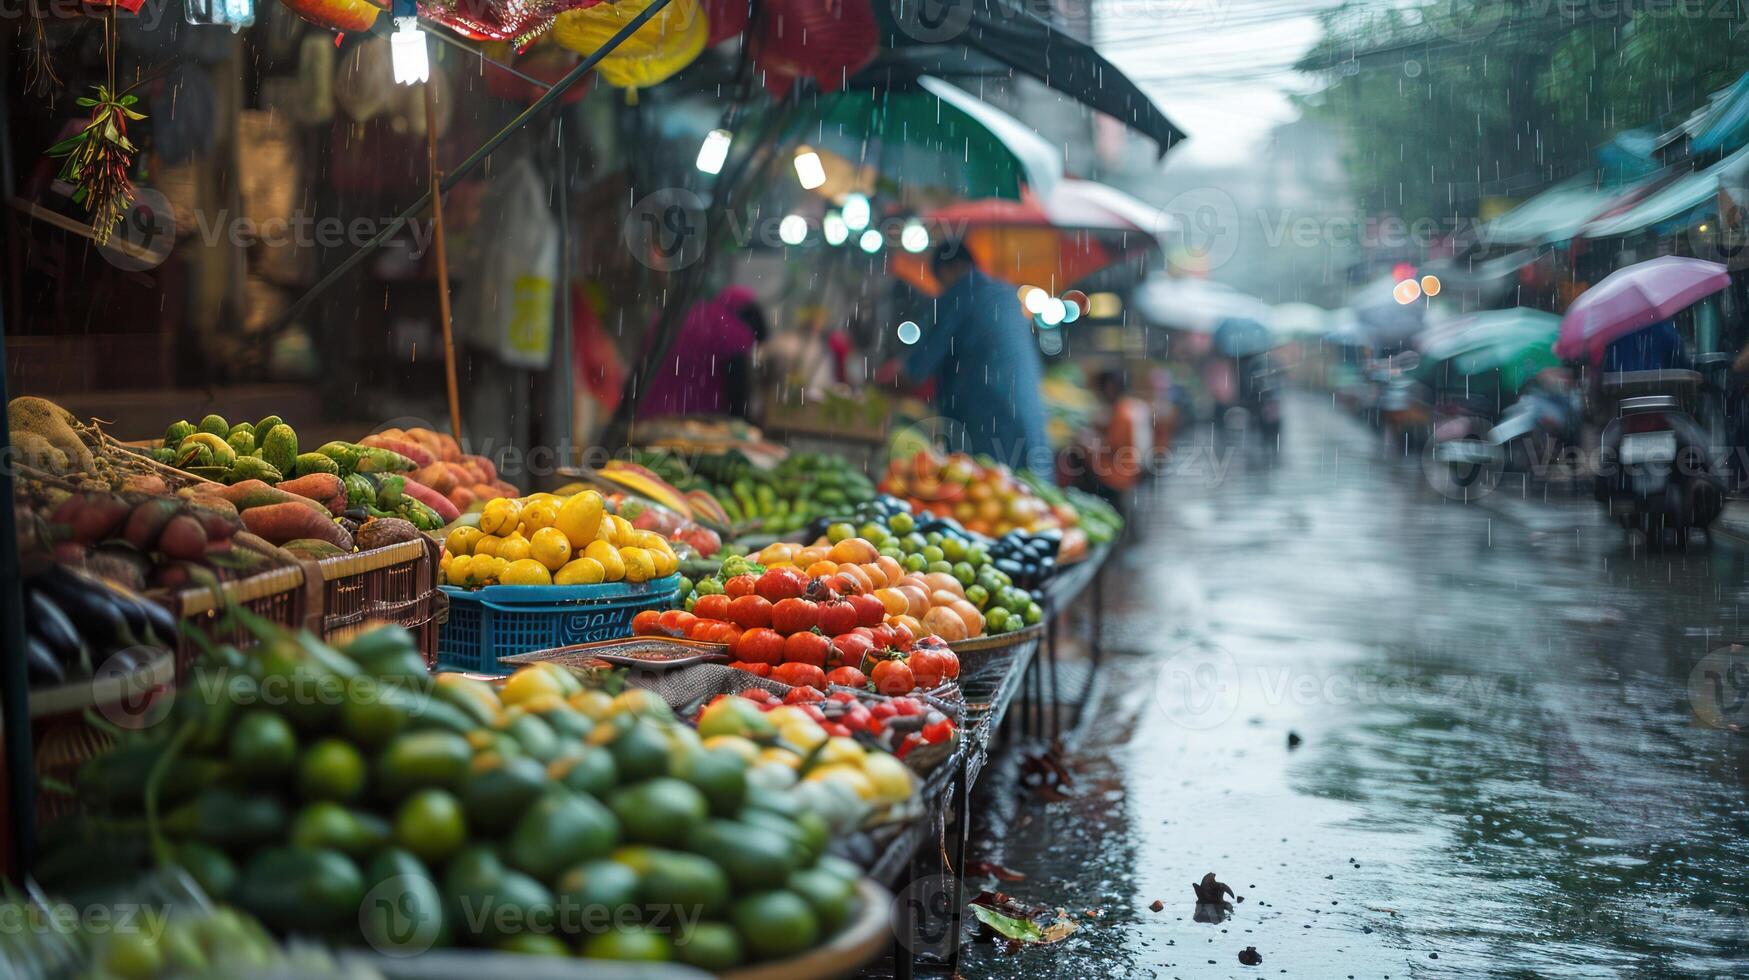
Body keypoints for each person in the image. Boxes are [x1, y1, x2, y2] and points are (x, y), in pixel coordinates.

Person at [881, 240, 1052, 478]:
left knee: (986, 491)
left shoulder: (960, 294)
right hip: (1028, 413)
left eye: (940, 281)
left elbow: (915, 370)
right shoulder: (1005, 295)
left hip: (987, 418)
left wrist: (880, 383)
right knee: (1028, 496)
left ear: (950, 269)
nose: (941, 289)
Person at [638, 285, 768, 421]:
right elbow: (737, 396)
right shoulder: (731, 331)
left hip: (649, 420)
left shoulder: (675, 317)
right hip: (701, 426)